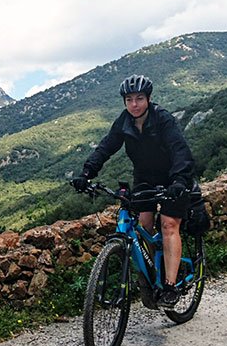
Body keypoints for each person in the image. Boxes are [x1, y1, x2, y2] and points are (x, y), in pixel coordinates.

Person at [71, 74, 197, 306]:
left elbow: (180, 150)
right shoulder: (124, 122)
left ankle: (169, 286)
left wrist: (179, 180)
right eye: (129, 99)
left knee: (169, 224)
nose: (134, 104)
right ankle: (150, 276)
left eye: (139, 98)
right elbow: (106, 147)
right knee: (143, 226)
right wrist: (87, 173)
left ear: (148, 99)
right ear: (124, 102)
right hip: (144, 178)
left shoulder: (163, 119)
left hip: (174, 177)